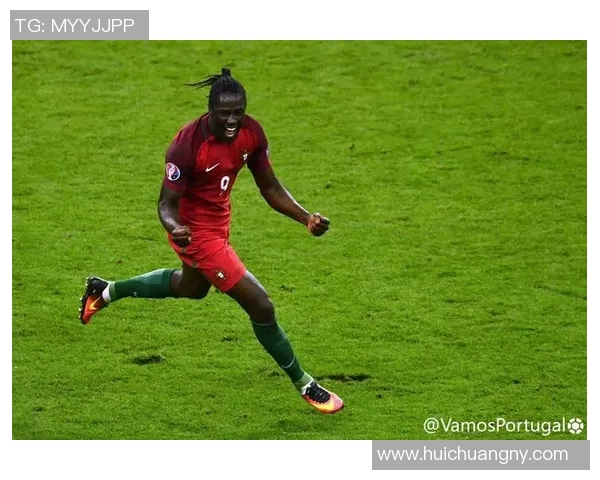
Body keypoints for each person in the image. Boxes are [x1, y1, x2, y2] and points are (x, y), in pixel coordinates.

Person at [79, 67, 344, 415]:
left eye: (238, 112)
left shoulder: (251, 133)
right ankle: (305, 383)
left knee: (191, 287)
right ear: (210, 111)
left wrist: (305, 217)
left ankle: (104, 291)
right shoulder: (187, 146)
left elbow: (270, 186)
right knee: (261, 306)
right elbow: (166, 204)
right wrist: (174, 227)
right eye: (224, 114)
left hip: (219, 223)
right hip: (193, 232)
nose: (232, 121)